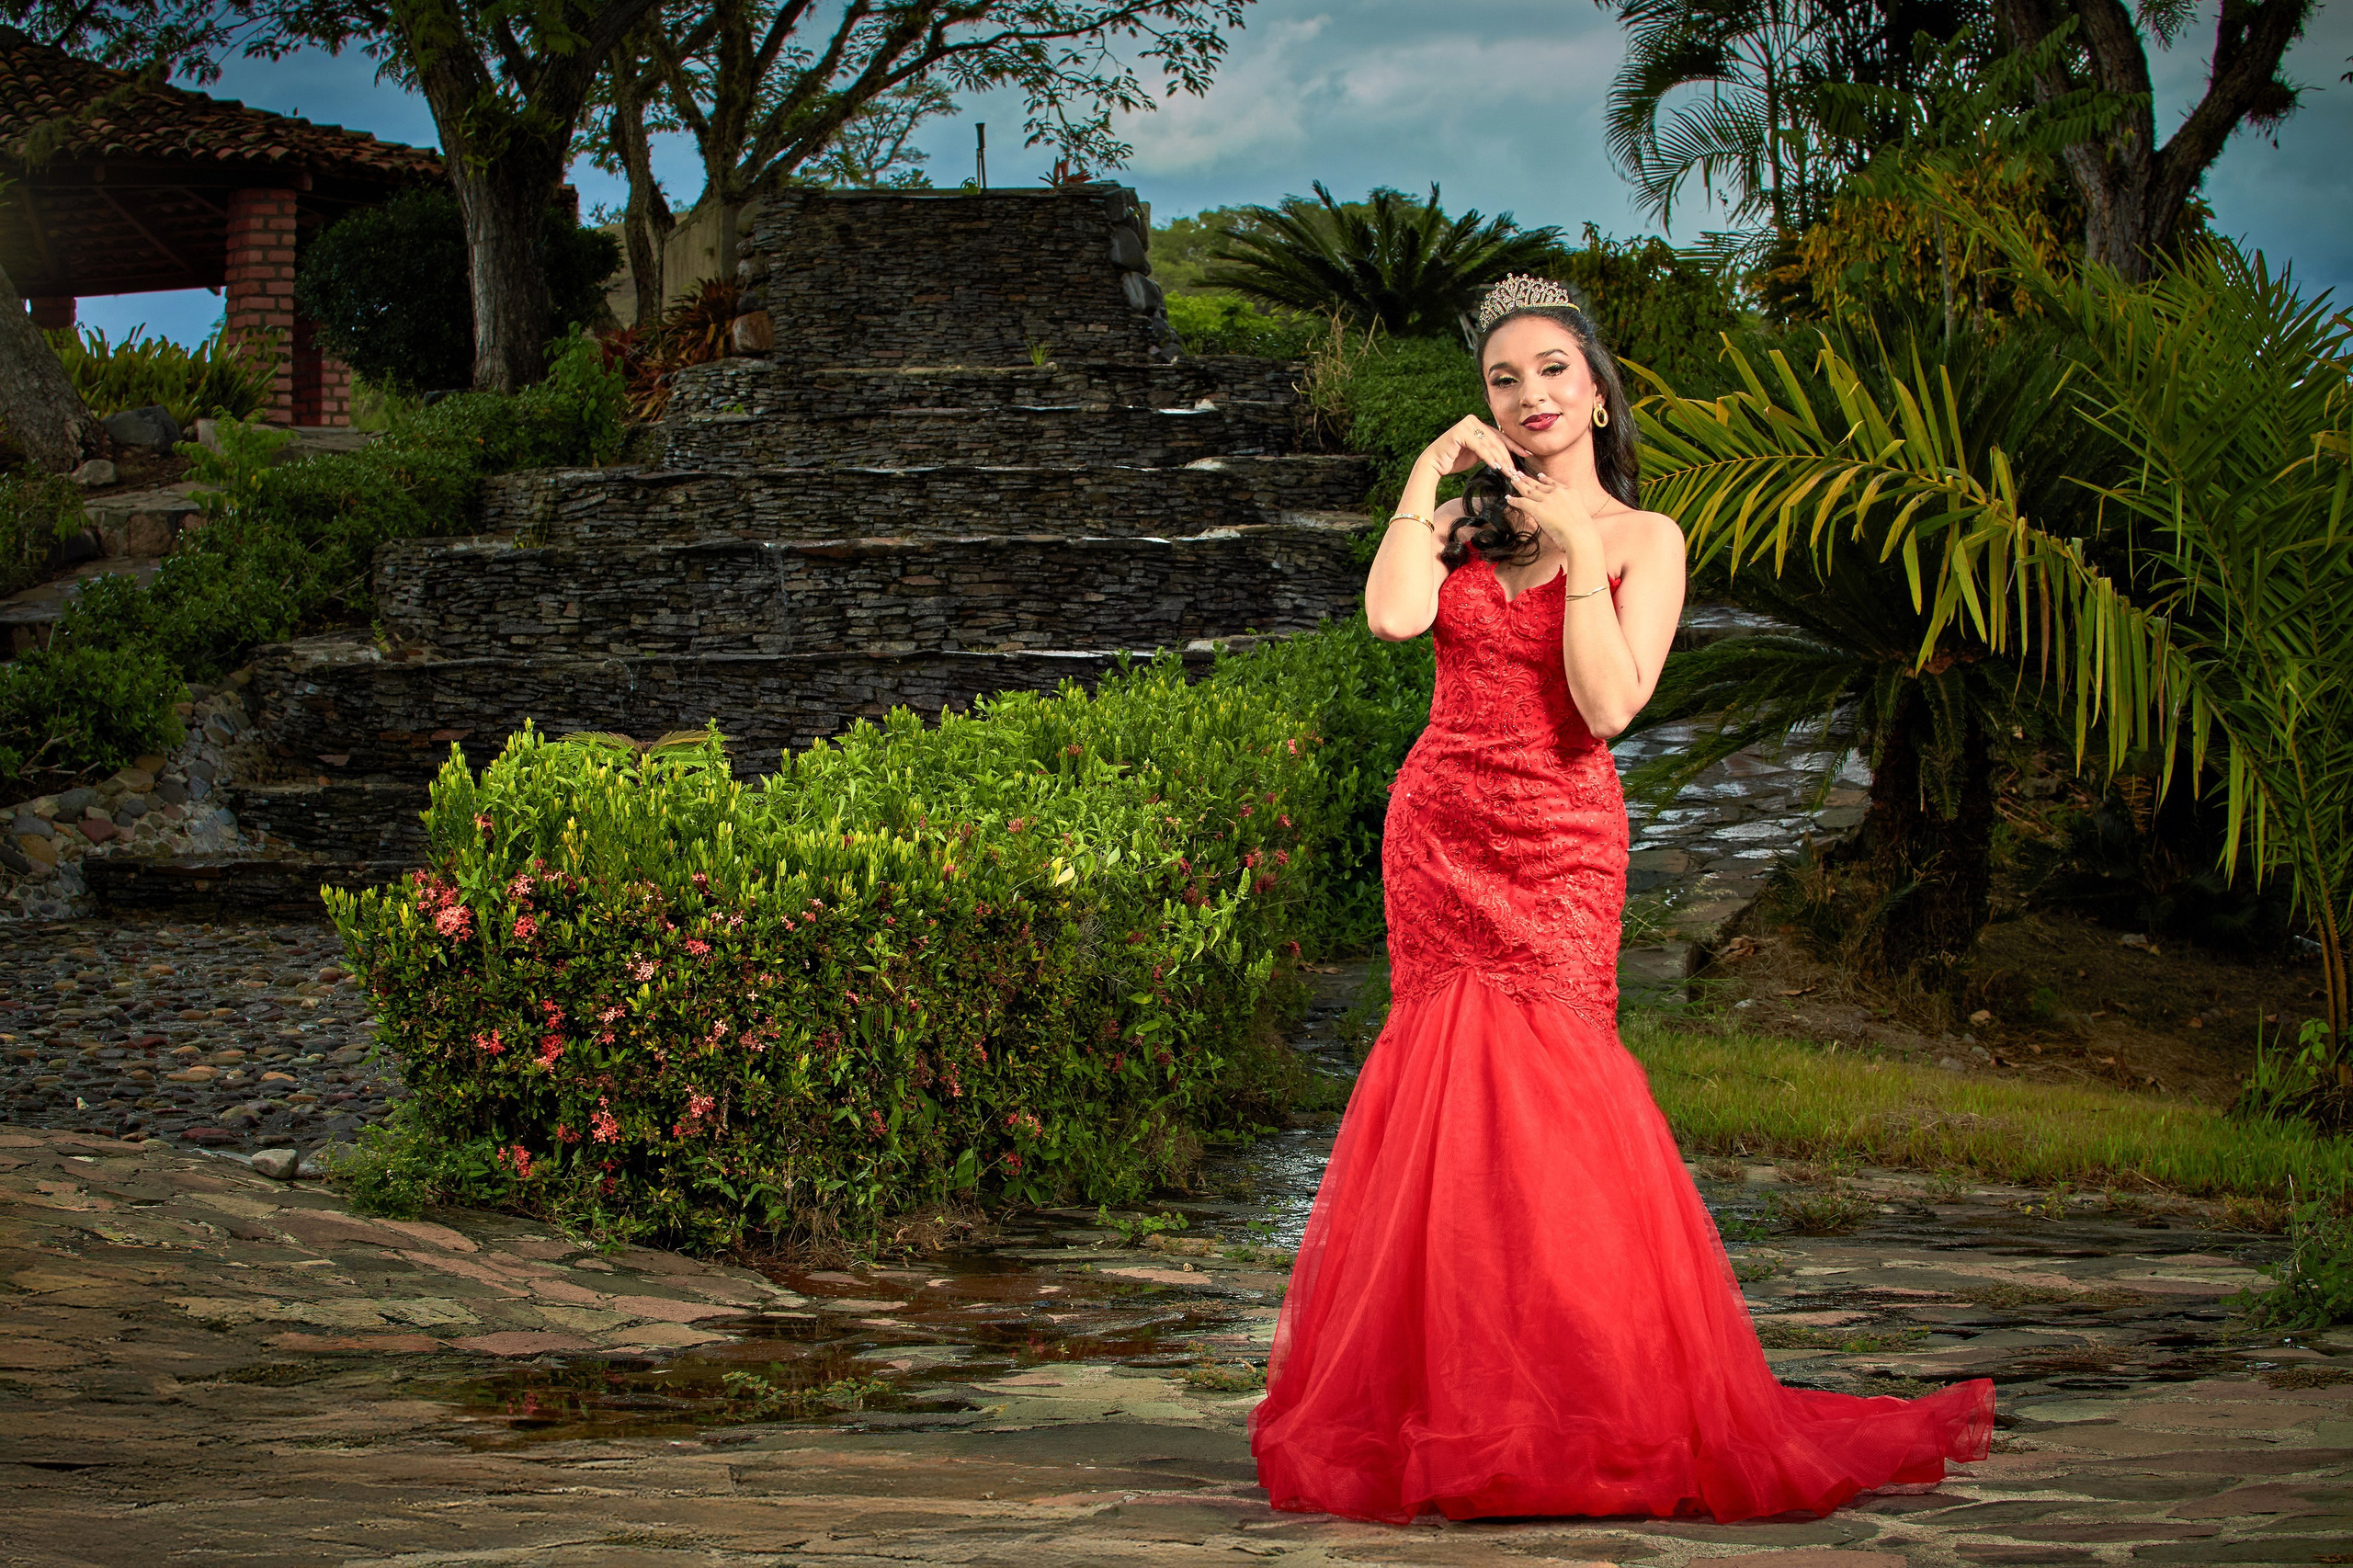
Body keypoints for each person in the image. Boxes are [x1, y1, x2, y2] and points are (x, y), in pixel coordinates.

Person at [1248, 275, 1995, 1525]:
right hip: (1439, 832)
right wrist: (1427, 477)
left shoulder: (1647, 541)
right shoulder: (1460, 525)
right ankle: (1455, 1405)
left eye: (1550, 371)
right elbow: (1389, 617)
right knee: (1444, 1104)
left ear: (1595, 388)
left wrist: (1580, 547)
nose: (1528, 395)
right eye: (1501, 380)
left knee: (1557, 1099)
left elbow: (1604, 705)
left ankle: (1585, 1400)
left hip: (1557, 841)